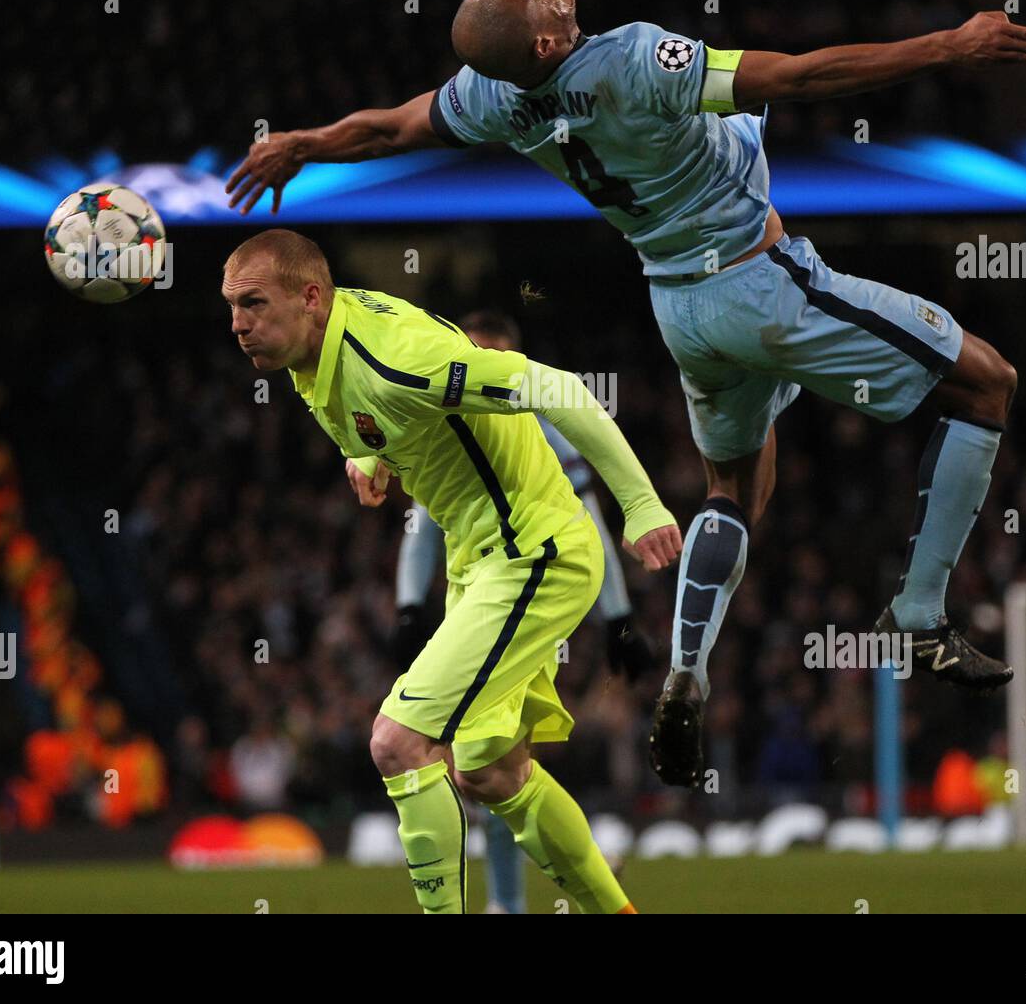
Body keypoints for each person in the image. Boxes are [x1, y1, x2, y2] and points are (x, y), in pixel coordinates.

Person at [226, 0, 1026, 788]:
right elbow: (804, 74)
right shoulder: (633, 59)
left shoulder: (491, 96)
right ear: (547, 38)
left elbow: (388, 131)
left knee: (732, 486)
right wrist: (950, 45)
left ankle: (686, 668)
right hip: (759, 281)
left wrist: (305, 144)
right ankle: (919, 611)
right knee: (987, 383)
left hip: (679, 307)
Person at [221, 228, 681, 912]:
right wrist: (373, 456)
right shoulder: (309, 356)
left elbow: (555, 388)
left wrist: (640, 504)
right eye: (231, 308)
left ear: (311, 297)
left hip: (535, 552)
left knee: (397, 741)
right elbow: (391, 421)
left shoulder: (396, 360)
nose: (239, 325)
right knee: (490, 771)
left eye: (253, 304)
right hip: (480, 563)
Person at [393, 308, 654, 912]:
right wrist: (409, 607)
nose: (475, 373)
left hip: (528, 588)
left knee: (482, 762)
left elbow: (583, 508)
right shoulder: (442, 414)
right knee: (488, 766)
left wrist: (618, 618)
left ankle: (520, 898)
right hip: (479, 599)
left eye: (493, 359)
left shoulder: (537, 422)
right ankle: (577, 884)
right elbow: (423, 524)